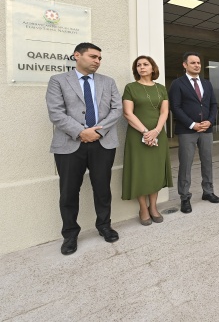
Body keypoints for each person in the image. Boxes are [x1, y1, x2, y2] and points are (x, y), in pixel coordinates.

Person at [46, 42, 122, 255]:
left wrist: (97, 131)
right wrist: (81, 132)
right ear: (77, 56)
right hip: (70, 145)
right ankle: (70, 235)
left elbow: (117, 109)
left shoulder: (108, 82)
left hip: (102, 142)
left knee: (102, 188)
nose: (97, 61)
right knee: (69, 192)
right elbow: (56, 112)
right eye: (93, 56)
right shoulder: (58, 81)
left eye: (99, 58)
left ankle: (104, 226)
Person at [122, 56, 173, 226]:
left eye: (145, 64)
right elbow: (128, 113)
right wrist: (146, 133)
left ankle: (153, 207)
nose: (142, 67)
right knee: (140, 171)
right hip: (138, 135)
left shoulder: (161, 88)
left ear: (153, 68)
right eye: (138, 65)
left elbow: (164, 112)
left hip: (158, 133)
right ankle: (143, 208)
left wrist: (156, 131)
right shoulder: (131, 88)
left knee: (155, 171)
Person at [169, 52, 219, 214]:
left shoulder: (207, 83)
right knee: (186, 164)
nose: (197, 65)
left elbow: (213, 104)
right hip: (187, 131)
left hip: (206, 129)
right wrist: (192, 124)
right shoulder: (177, 84)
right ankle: (185, 197)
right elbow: (175, 107)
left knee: (207, 161)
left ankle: (208, 191)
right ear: (185, 65)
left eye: (198, 62)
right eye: (193, 63)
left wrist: (210, 121)